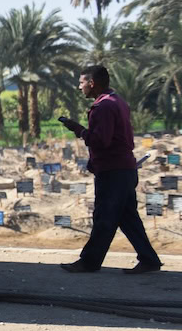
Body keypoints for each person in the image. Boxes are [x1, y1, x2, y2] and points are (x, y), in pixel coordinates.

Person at [59, 63, 161, 274]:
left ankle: (89, 262)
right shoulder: (118, 101)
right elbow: (113, 140)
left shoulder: (103, 107)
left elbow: (101, 141)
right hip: (124, 169)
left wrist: (78, 129)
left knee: (104, 217)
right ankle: (149, 259)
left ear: (92, 83)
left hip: (113, 172)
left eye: (81, 82)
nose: (80, 87)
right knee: (128, 218)